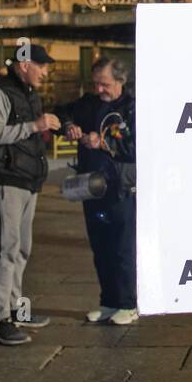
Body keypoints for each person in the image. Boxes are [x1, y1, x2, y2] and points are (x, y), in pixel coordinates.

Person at [0, 44, 64, 346]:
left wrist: (46, 128)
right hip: (5, 179)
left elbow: (27, 132)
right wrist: (33, 126)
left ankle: (18, 309)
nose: (45, 71)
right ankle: (0, 319)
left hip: (28, 179)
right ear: (24, 64)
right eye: (41, 65)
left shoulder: (29, 94)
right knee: (7, 248)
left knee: (23, 247)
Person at [54, 58, 138, 325]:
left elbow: (138, 147)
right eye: (96, 84)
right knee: (100, 246)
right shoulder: (89, 104)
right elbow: (60, 112)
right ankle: (109, 301)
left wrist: (103, 142)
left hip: (122, 188)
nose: (99, 89)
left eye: (105, 84)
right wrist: (68, 127)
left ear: (120, 81)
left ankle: (129, 303)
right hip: (91, 187)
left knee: (123, 247)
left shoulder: (133, 107)